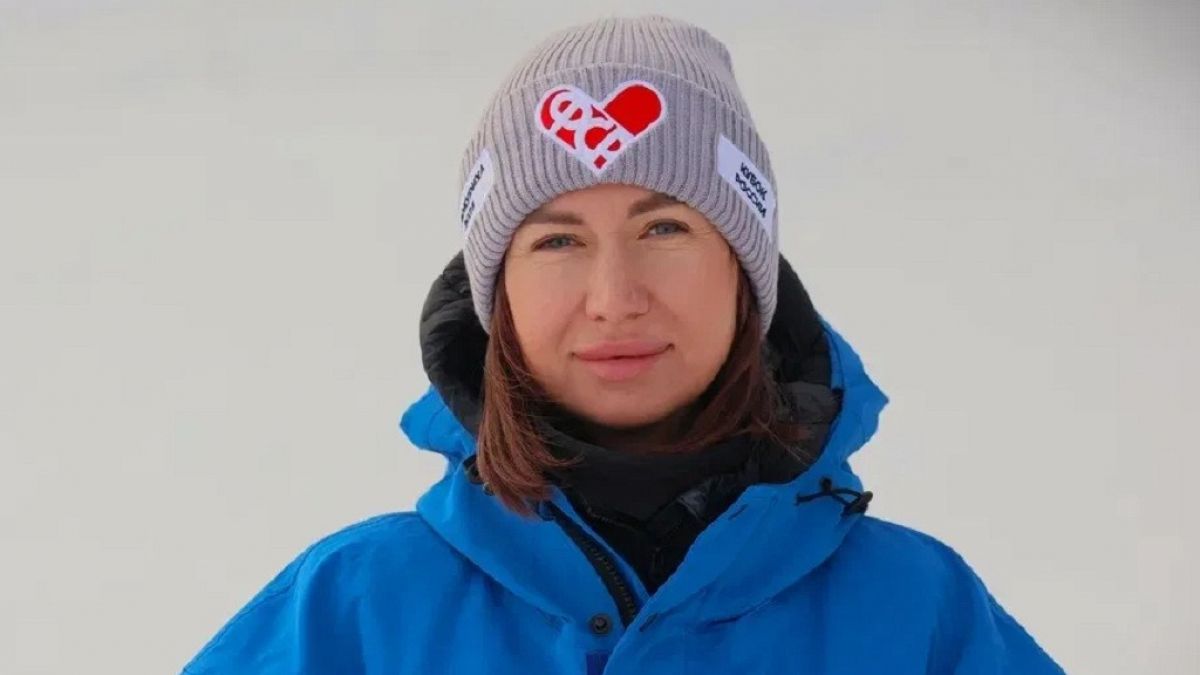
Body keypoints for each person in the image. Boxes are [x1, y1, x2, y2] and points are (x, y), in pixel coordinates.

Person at [182, 15, 1064, 674]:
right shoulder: (353, 613)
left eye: (665, 228)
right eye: (557, 241)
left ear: (744, 273)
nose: (614, 299)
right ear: (500, 298)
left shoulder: (918, 612)